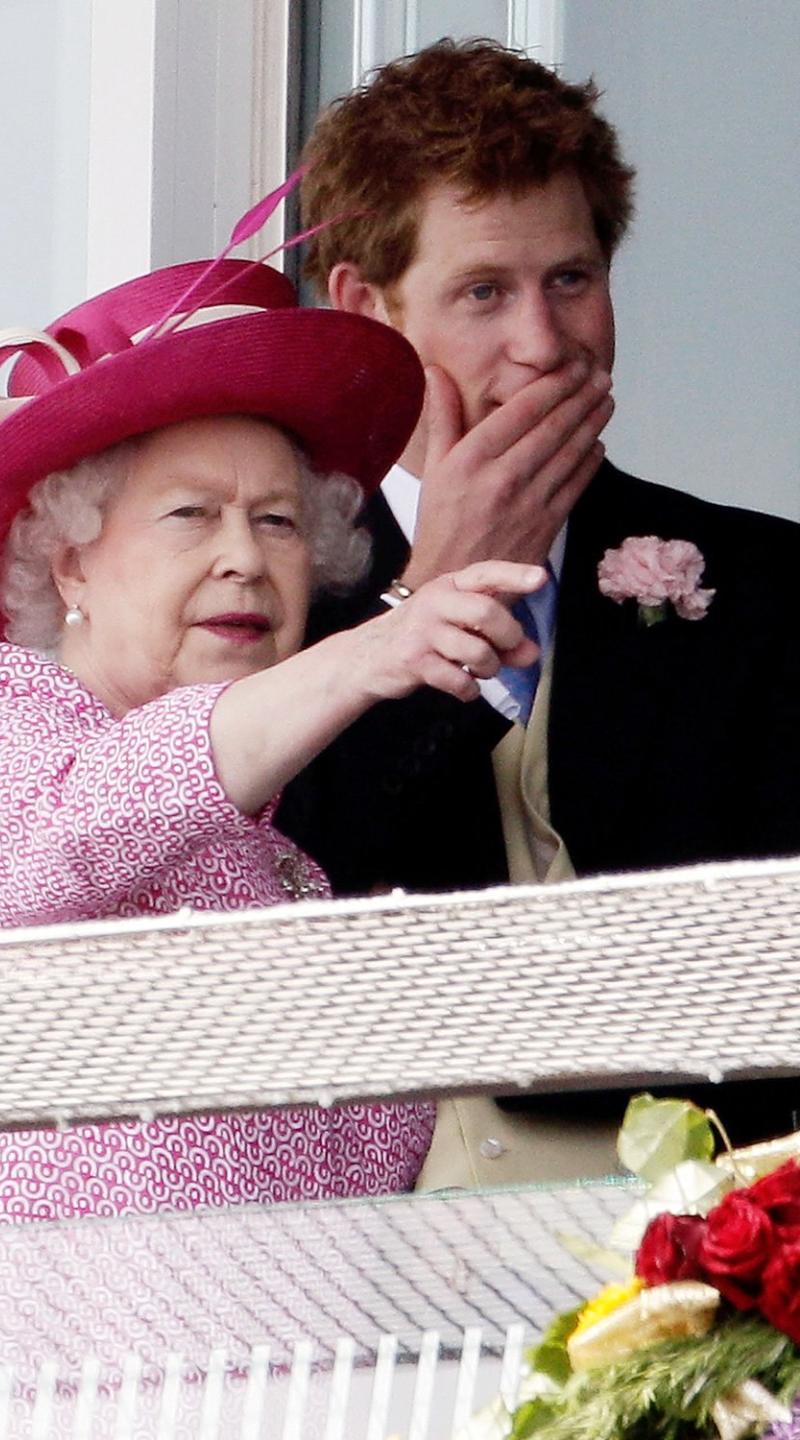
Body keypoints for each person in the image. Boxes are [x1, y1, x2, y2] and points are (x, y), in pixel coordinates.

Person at [0, 255, 546, 1232]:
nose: (245, 557)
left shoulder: (283, 861)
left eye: (277, 521)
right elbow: (80, 826)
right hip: (5, 1376)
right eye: (192, 515)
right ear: (71, 564)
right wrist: (374, 649)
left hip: (256, 1381)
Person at [276, 38, 800, 1182]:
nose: (546, 344)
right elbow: (288, 892)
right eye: (483, 293)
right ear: (366, 307)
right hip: (347, 1265)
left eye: (572, 279)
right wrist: (433, 596)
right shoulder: (264, 596)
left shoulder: (771, 589)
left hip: (708, 1250)